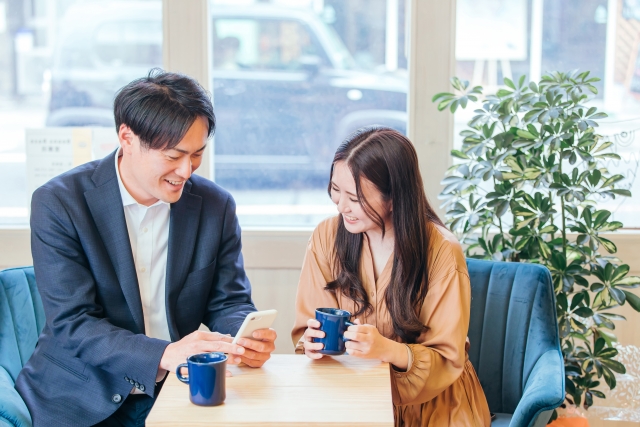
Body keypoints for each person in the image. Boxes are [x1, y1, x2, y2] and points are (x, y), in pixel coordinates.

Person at [16, 69, 276, 426]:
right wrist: (165, 353)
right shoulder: (60, 203)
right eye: (173, 155)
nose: (186, 170)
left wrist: (242, 338)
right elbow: (73, 323)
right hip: (78, 395)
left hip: (179, 390)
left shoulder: (215, 206)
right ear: (127, 137)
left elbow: (228, 301)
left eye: (197, 154)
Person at [291, 127, 491, 426]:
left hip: (436, 408)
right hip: (353, 396)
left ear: (394, 197)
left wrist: (387, 350)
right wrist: (312, 342)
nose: (341, 206)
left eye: (355, 197)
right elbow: (308, 327)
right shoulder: (327, 237)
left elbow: (447, 360)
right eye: (335, 190)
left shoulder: (442, 252)